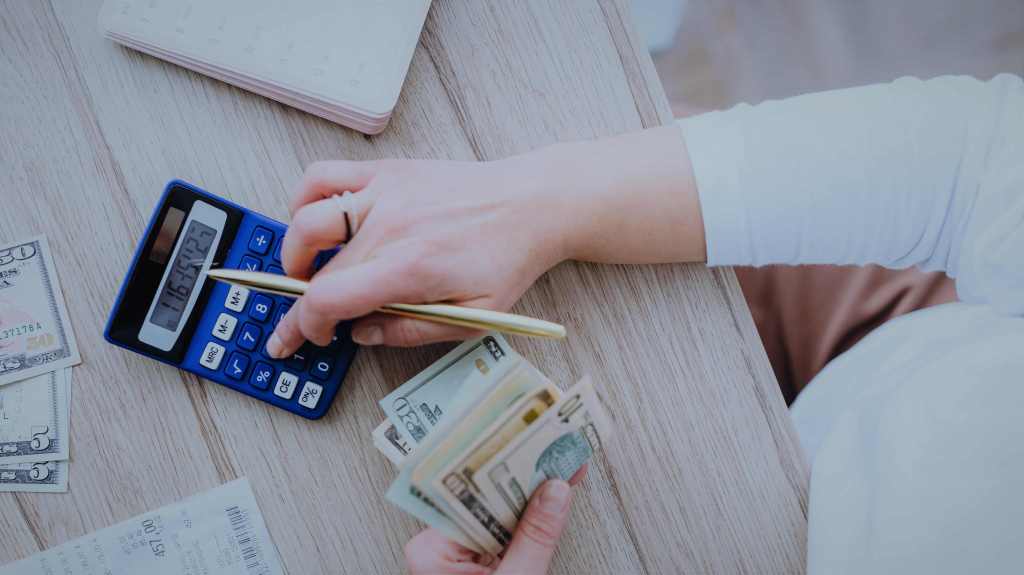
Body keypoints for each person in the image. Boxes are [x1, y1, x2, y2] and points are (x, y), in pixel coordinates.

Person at [266, 74, 1024, 573]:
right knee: (619, 119)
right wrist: (530, 202)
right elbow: (975, 161)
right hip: (921, 343)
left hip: (792, 517)